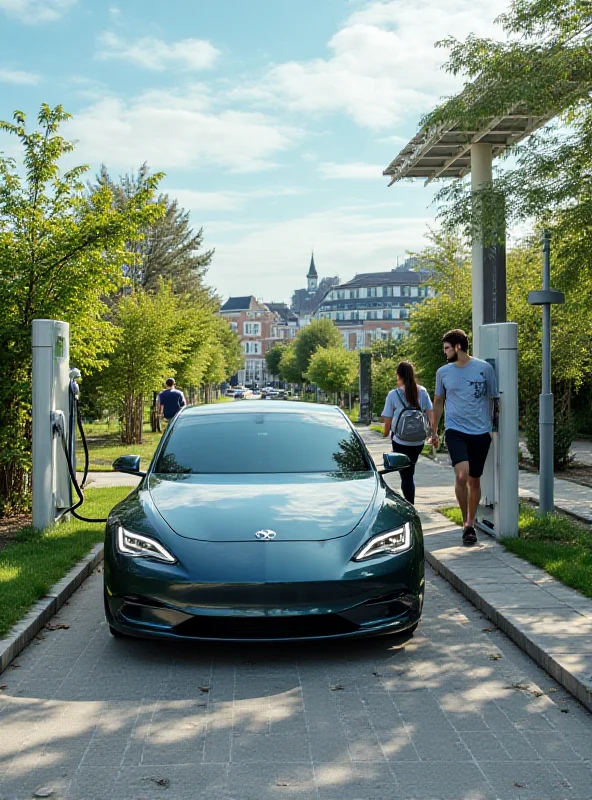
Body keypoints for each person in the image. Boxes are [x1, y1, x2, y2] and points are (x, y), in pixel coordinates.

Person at [431, 329, 499, 546]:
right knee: (462, 476)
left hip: (480, 432)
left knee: (474, 479)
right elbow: (439, 402)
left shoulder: (484, 369)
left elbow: (495, 399)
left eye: (447, 348)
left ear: (458, 347)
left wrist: (493, 429)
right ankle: (467, 524)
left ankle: (471, 521)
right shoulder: (443, 372)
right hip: (455, 431)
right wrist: (434, 430)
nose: (445, 353)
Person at [381, 361, 435, 505]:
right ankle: (410, 503)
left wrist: (385, 433)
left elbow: (387, 419)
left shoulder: (393, 394)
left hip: (400, 441)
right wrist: (433, 433)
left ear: (399, 375)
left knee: (406, 476)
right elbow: (430, 414)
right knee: (409, 472)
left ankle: (410, 506)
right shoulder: (422, 391)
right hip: (418, 441)